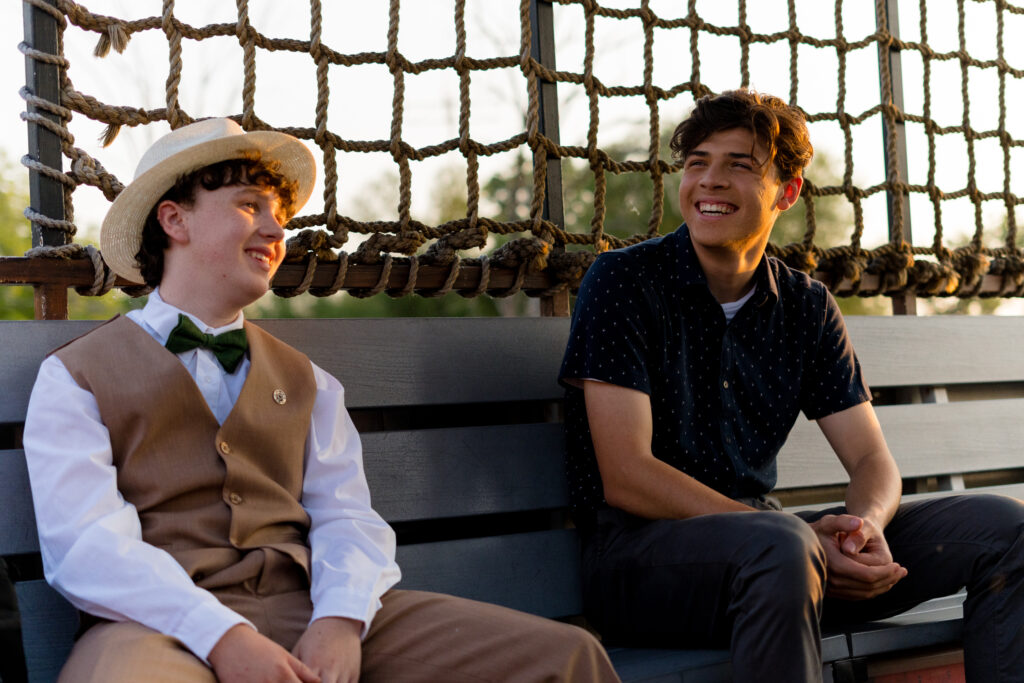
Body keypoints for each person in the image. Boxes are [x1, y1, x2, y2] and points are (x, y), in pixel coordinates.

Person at [23, 117, 620, 683]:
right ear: (175, 221)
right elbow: (87, 544)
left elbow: (347, 517)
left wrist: (340, 620)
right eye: (248, 206)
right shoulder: (75, 376)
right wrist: (223, 636)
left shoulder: (310, 382)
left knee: (563, 658)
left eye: (277, 213)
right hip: (155, 626)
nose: (275, 230)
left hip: (305, 607)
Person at [559, 89, 1024, 682]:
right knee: (780, 549)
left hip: (780, 560)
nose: (710, 181)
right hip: (641, 565)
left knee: (1005, 528)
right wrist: (794, 533)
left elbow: (872, 462)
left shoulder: (805, 306)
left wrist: (862, 537)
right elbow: (626, 474)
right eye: (698, 162)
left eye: (739, 165)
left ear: (789, 189)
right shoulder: (624, 281)